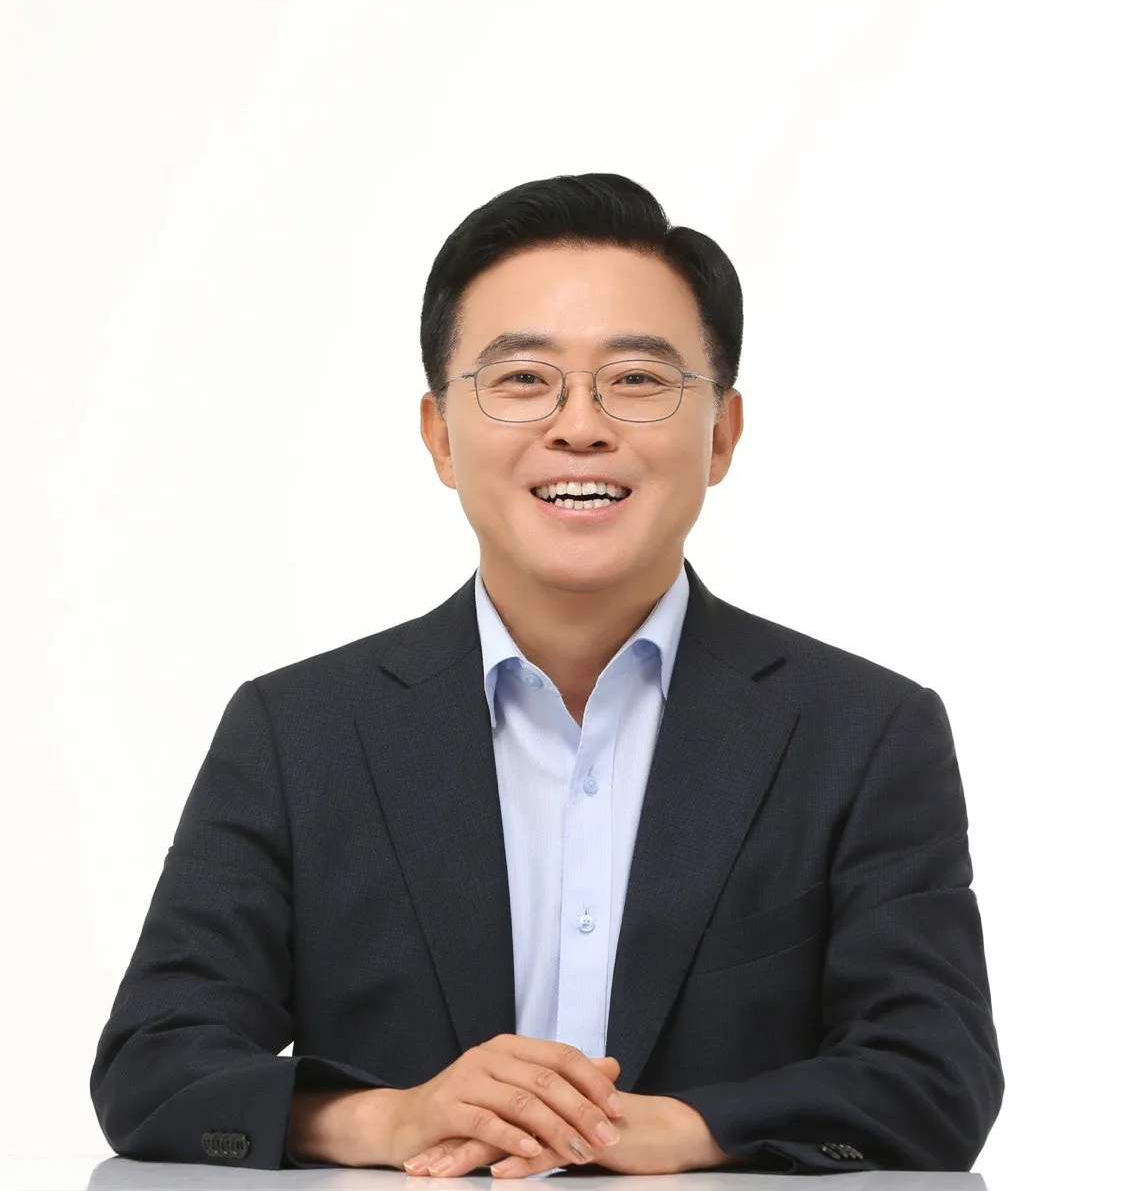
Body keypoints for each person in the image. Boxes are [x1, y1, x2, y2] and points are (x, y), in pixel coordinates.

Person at [90, 173, 1003, 1177]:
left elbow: (935, 1077)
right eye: (523, 379)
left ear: (722, 434)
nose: (579, 425)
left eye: (638, 379)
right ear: (440, 434)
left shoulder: (863, 733)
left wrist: (683, 1129)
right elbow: (154, 1065)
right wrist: (386, 1120)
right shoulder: (298, 731)